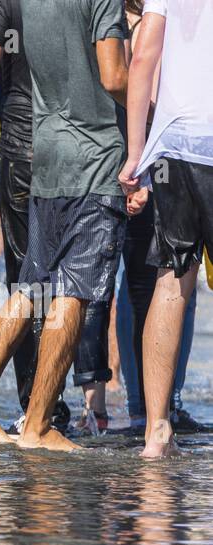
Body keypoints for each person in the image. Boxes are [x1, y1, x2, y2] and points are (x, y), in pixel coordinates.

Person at [0, 0, 128, 452]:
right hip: (94, 157)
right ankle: (37, 424)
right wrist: (153, 99)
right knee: (73, 291)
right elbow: (113, 77)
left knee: (32, 286)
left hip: (43, 151)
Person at [118, 0, 213, 458]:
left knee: (172, 282)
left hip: (174, 148)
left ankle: (156, 431)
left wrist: (136, 154)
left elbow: (143, 55)